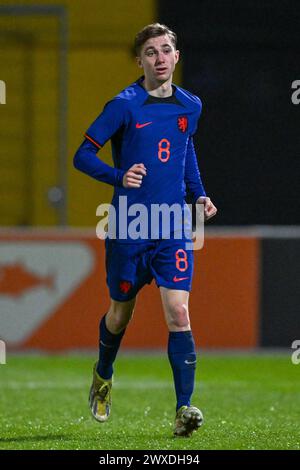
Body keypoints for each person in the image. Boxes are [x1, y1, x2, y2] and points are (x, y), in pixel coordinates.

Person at [73, 23, 217, 437]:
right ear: (140, 61)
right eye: (151, 52)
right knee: (119, 315)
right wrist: (118, 176)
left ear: (176, 56)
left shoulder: (191, 106)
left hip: (172, 226)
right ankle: (103, 374)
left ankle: (183, 410)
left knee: (178, 312)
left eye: (166, 49)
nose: (159, 58)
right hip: (130, 227)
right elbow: (82, 156)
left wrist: (200, 194)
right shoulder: (123, 105)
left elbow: (186, 149)